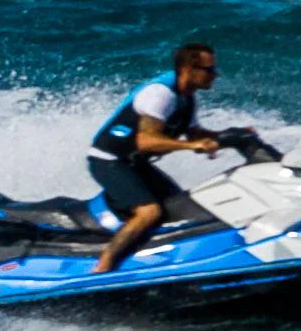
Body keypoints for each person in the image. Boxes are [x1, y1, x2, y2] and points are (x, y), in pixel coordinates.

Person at [88, 41, 232, 268]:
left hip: (133, 163)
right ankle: (104, 264)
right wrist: (192, 147)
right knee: (149, 211)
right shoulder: (161, 94)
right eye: (209, 70)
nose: (215, 75)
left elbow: (195, 134)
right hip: (109, 160)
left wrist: (234, 136)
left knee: (179, 205)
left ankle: (153, 259)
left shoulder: (186, 96)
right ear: (188, 69)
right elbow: (145, 142)